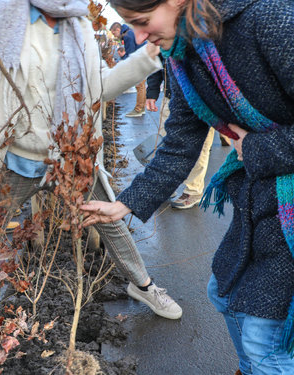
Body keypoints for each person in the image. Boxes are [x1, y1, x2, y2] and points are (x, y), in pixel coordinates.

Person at [0, 0, 183, 330]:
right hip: (16, 157)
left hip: (69, 151)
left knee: (107, 218)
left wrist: (148, 58)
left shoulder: (78, 24)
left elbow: (99, 86)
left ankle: (143, 285)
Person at [81, 0, 294, 374]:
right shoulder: (181, 55)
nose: (140, 36)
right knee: (223, 295)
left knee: (266, 340)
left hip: (284, 201)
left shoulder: (269, 19)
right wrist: (125, 204)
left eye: (143, 22)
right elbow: (181, 140)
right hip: (261, 195)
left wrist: (258, 148)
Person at [146, 53, 215, 209]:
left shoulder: (202, 32)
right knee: (166, 143)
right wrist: (152, 91)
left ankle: (193, 190)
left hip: (200, 98)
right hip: (171, 96)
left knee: (198, 145)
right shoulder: (162, 34)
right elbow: (157, 62)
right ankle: (166, 185)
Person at [110, 22, 146, 118]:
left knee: (139, 85)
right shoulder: (130, 32)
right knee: (141, 85)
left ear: (118, 30)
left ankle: (139, 109)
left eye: (114, 34)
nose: (115, 36)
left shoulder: (127, 36)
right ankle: (141, 108)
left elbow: (131, 53)